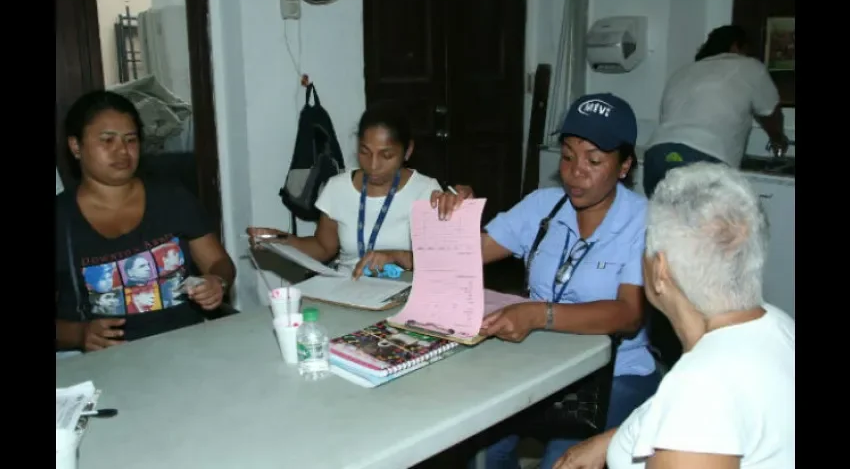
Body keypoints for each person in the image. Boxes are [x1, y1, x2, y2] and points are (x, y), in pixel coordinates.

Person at [433, 93, 661, 469]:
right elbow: (465, 254)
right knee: (478, 449)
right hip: (538, 361)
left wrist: (539, 314)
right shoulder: (544, 206)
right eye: (568, 156)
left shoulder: (644, 221)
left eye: (594, 160)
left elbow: (629, 314)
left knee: (563, 461)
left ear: (624, 167)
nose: (575, 171)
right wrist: (449, 219)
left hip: (614, 372)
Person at [554, 163, 795, 469]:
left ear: (661, 270)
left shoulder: (699, 389)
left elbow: (698, 414)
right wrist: (616, 440)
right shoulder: (777, 326)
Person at [55, 90, 236, 353]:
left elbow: (219, 263)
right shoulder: (62, 219)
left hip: (186, 347)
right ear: (75, 146)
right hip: (106, 364)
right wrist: (78, 334)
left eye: (131, 140)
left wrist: (216, 282)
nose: (122, 151)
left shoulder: (172, 198)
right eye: (107, 140)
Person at [247, 100, 471, 279]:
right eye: (365, 152)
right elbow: (323, 247)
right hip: (348, 289)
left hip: (401, 293)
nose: (373, 165)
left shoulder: (426, 191)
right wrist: (279, 241)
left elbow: (441, 261)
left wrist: (395, 256)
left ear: (408, 151)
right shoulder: (337, 188)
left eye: (386, 155)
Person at [643, 25, 790, 199]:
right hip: (704, 158)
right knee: (707, 224)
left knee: (665, 222)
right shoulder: (749, 66)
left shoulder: (684, 71)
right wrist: (778, 139)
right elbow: (770, 112)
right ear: (736, 46)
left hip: (657, 156)